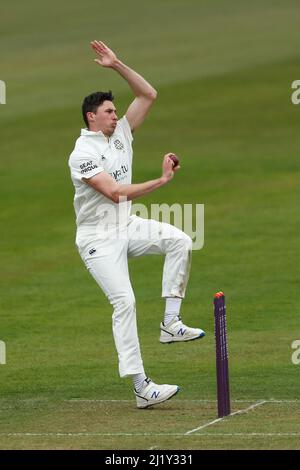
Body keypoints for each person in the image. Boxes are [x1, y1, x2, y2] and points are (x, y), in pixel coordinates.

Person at [68, 40, 205, 409]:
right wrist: (161, 182)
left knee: (179, 239)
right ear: (91, 117)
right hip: (98, 240)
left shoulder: (122, 134)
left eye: (116, 111)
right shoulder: (83, 153)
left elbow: (148, 93)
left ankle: (170, 324)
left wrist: (116, 65)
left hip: (126, 226)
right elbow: (114, 193)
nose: (116, 116)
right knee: (124, 302)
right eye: (109, 112)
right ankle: (141, 386)